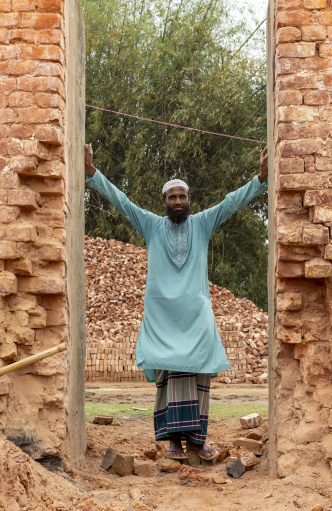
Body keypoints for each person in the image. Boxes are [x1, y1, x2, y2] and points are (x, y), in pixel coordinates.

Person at [84, 143, 268, 461]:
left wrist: (261, 179)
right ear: (164, 202)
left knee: (198, 379)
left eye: (183, 197)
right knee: (167, 381)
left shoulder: (202, 224)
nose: (178, 202)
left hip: (196, 317)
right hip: (163, 318)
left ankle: (196, 443)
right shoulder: (152, 226)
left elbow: (231, 203)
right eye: (173, 197)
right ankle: (172, 444)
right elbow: (121, 202)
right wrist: (91, 172)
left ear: (189, 200)